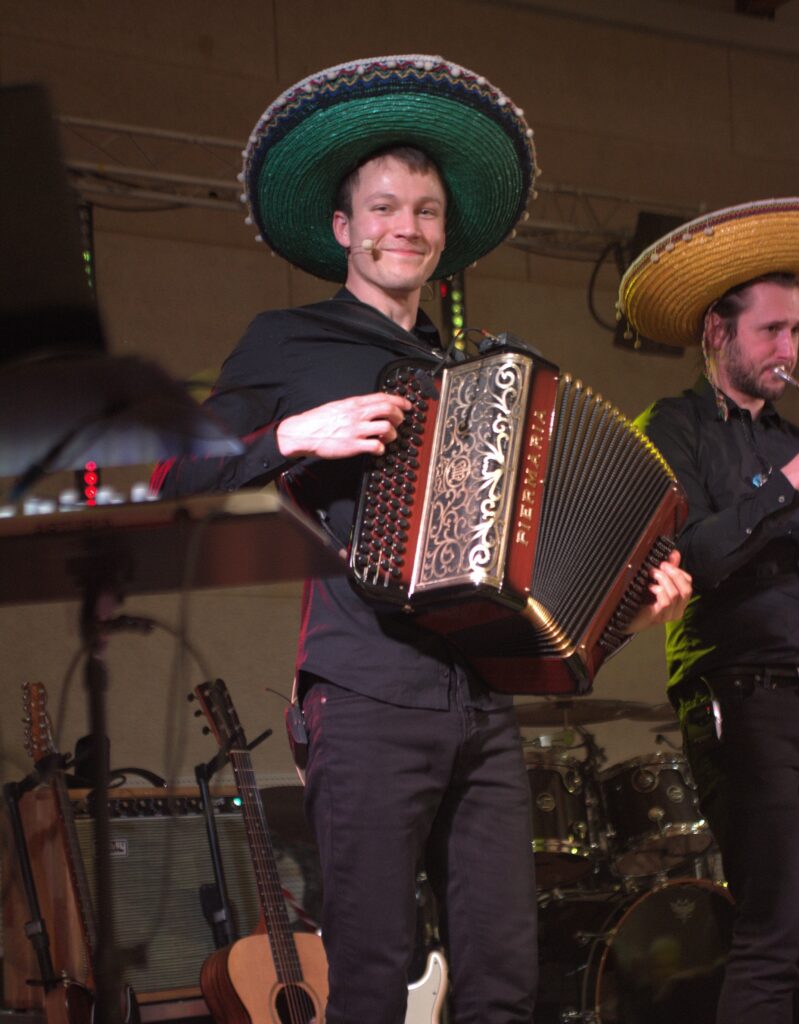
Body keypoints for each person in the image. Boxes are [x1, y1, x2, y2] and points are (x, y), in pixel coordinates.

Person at [154, 55, 691, 1024]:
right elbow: (173, 477)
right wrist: (292, 434)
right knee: (367, 980)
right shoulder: (287, 341)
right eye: (385, 207)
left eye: (426, 211)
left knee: (505, 982)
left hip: (480, 702)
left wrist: (627, 607)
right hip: (365, 695)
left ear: (443, 236)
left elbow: (535, 565)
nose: (406, 225)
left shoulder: (475, 373)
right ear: (343, 228)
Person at [622, 197, 799, 1024]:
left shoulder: (797, 440)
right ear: (718, 332)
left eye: (797, 332)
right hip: (741, 698)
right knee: (778, 929)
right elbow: (692, 559)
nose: (788, 350)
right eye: (770, 330)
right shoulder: (671, 429)